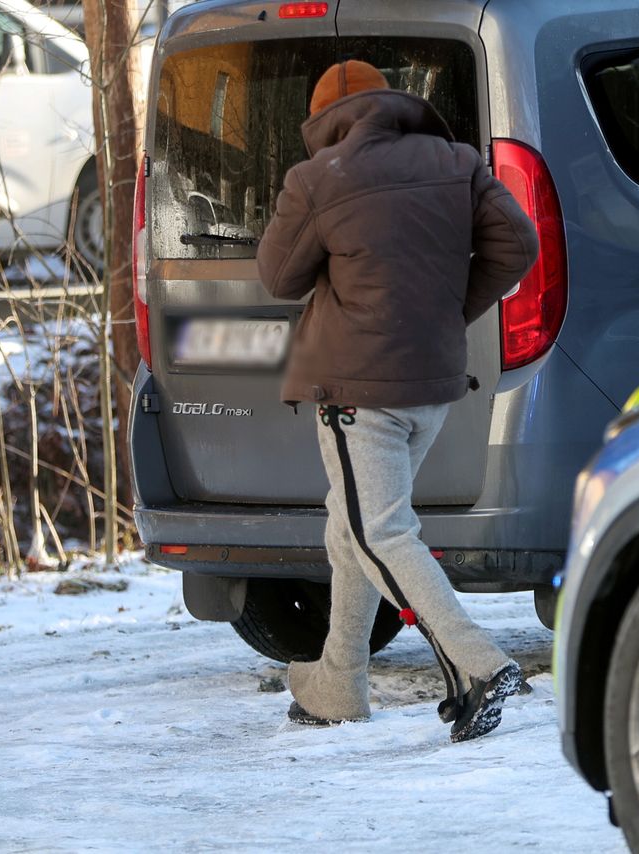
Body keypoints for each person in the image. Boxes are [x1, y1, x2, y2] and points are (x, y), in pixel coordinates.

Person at [256, 60, 540, 742]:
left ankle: (477, 664)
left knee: (380, 533)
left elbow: (277, 275)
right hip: (432, 386)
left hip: (358, 389)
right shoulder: (459, 160)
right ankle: (337, 681)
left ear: (325, 121)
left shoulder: (319, 178)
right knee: (350, 525)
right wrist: (447, 311)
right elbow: (518, 245)